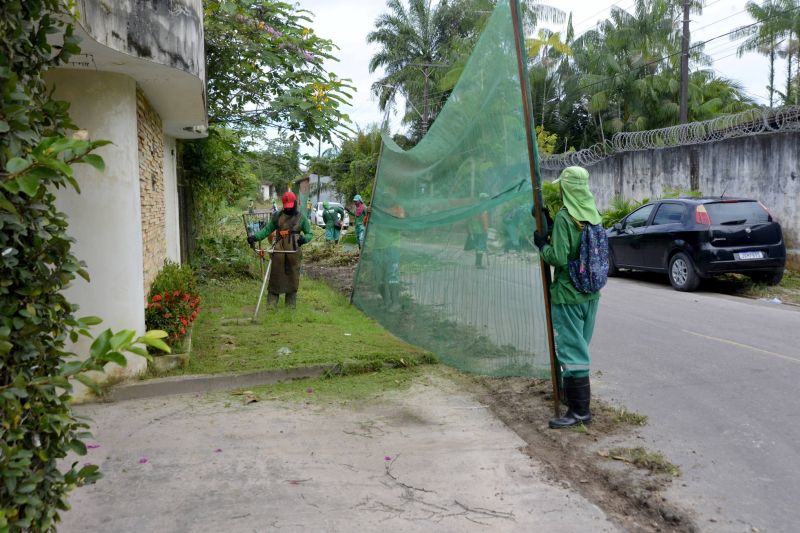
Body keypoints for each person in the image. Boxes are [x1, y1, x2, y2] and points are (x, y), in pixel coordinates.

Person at [532, 166, 602, 429]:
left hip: (568, 294)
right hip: (591, 294)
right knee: (580, 346)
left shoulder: (566, 217)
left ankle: (580, 411)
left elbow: (559, 257)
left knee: (572, 351)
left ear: (566, 188)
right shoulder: (594, 214)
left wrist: (542, 245)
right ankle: (569, 396)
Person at [247, 191, 312, 308]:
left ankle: (290, 306)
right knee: (275, 276)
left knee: (292, 276)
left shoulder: (301, 218)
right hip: (279, 249)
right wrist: (255, 237)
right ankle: (271, 305)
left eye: (291, 206)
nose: (288, 209)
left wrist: (304, 239)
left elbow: (309, 233)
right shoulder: (277, 216)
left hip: (294, 250)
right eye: (286, 207)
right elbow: (267, 230)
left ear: (295, 203)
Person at [372, 193, 405, 311]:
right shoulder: (376, 209)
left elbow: (400, 223)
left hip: (393, 247)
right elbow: (369, 223)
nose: (387, 197)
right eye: (385, 195)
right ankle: (386, 301)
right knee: (379, 277)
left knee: (392, 276)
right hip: (378, 247)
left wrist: (384, 213)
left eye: (390, 195)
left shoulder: (398, 208)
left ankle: (395, 303)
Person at [466, 193, 490, 269]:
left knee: (478, 248)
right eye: (486, 199)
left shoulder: (474, 208)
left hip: (474, 231)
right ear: (484, 199)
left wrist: (469, 231)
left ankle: (477, 263)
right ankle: (479, 264)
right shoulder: (483, 208)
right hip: (481, 231)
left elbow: (468, 220)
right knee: (481, 247)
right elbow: (483, 218)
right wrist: (485, 229)